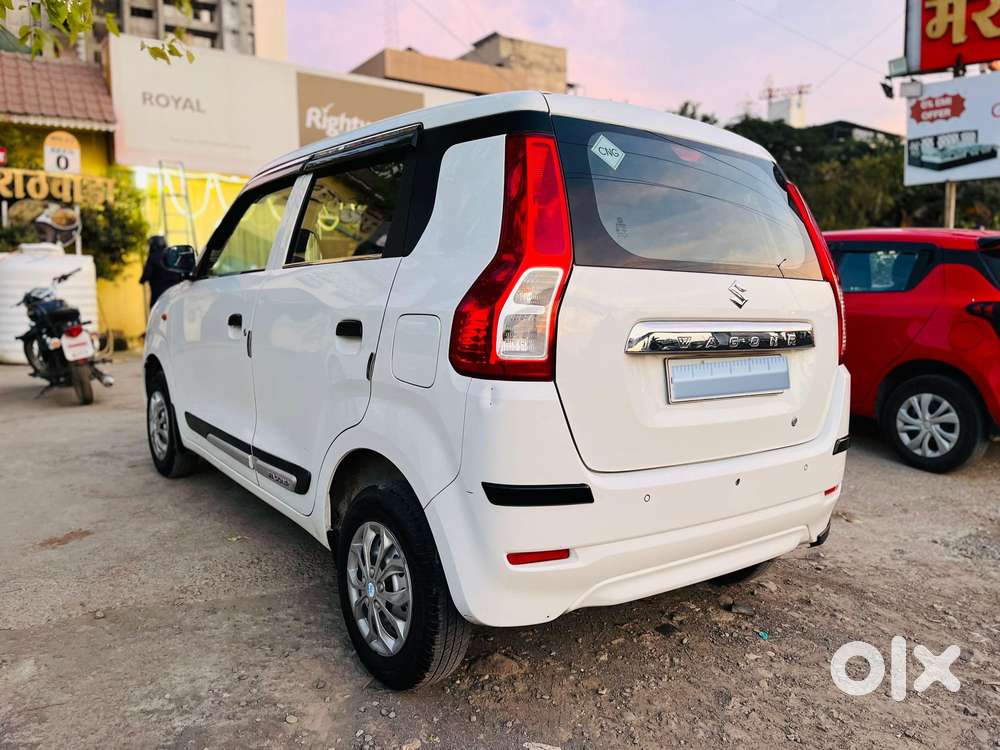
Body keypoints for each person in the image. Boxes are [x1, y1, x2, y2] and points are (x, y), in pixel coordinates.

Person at [139, 235, 181, 307]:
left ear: (153, 245)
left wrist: (142, 280)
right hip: (177, 295)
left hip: (160, 297)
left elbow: (146, 275)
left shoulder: (152, 257)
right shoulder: (173, 254)